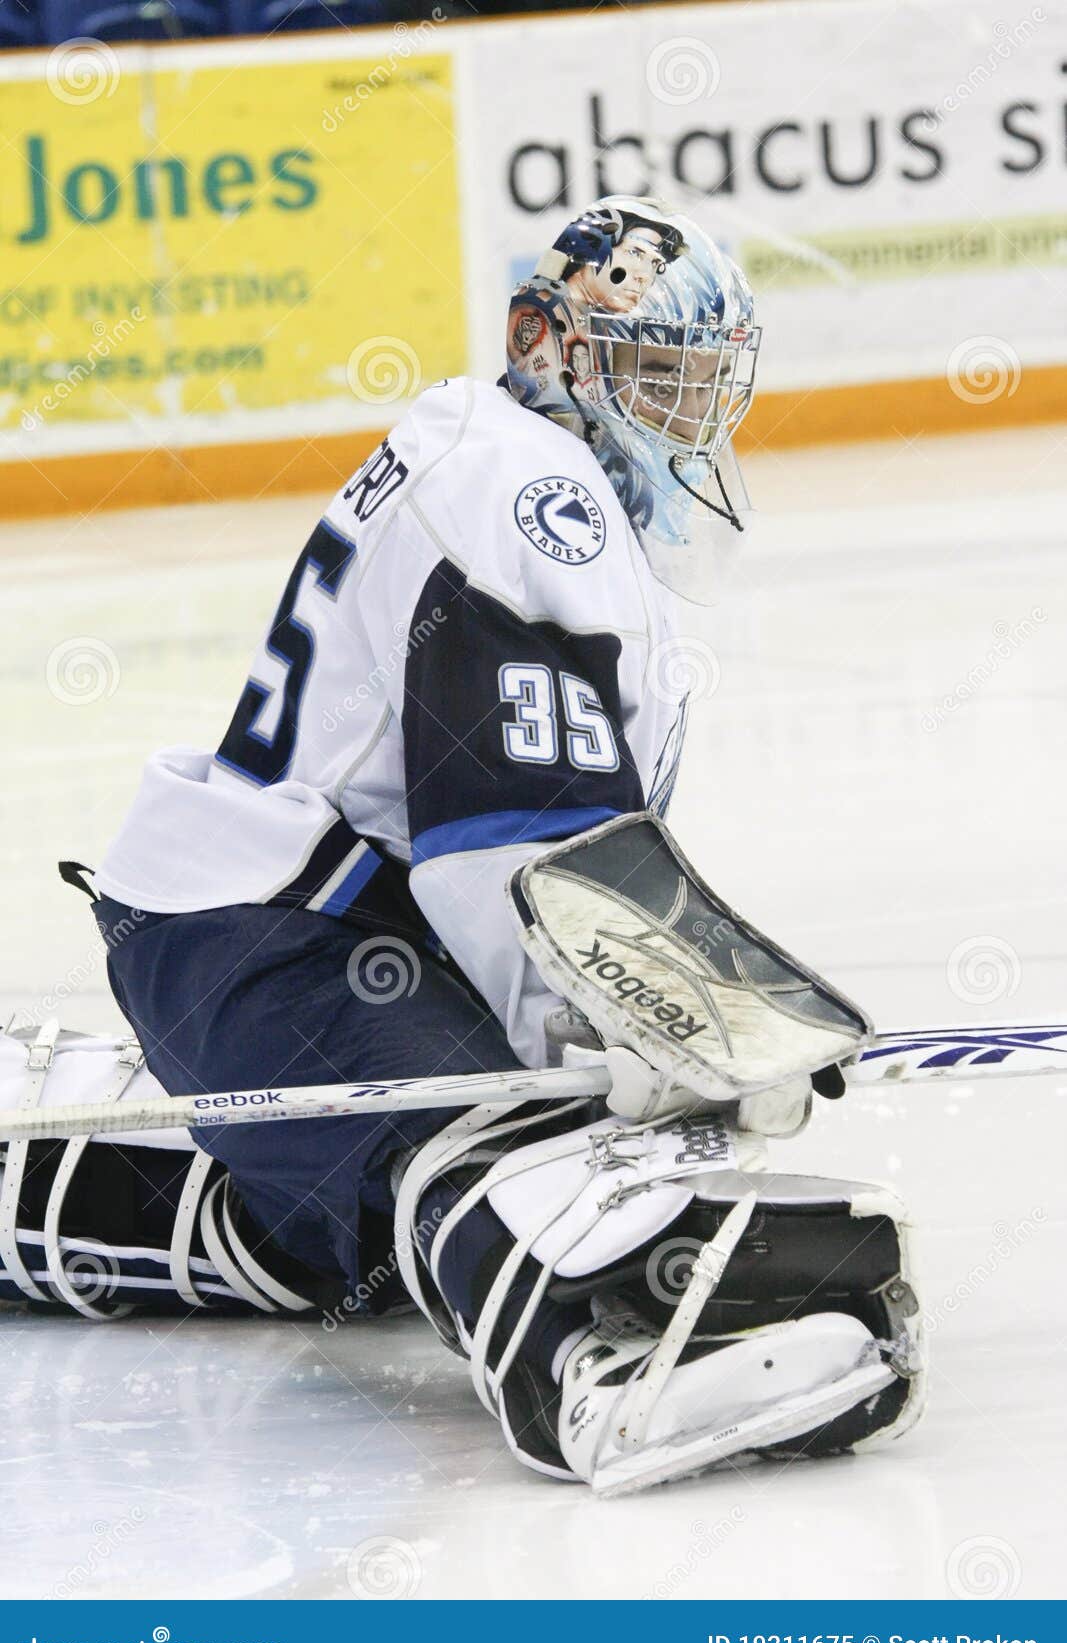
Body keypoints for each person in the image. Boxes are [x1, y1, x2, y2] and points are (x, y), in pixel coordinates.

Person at [0, 196, 922, 1491]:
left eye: (701, 384)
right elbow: (509, 849)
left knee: (352, 1228)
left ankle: (48, 1191)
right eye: (653, 376)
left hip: (269, 922)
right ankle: (591, 1366)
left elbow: (527, 835)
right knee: (484, 1136)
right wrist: (613, 1050)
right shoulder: (530, 489)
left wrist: (659, 1030)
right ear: (550, 342)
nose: (685, 419)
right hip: (284, 931)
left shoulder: (500, 459)